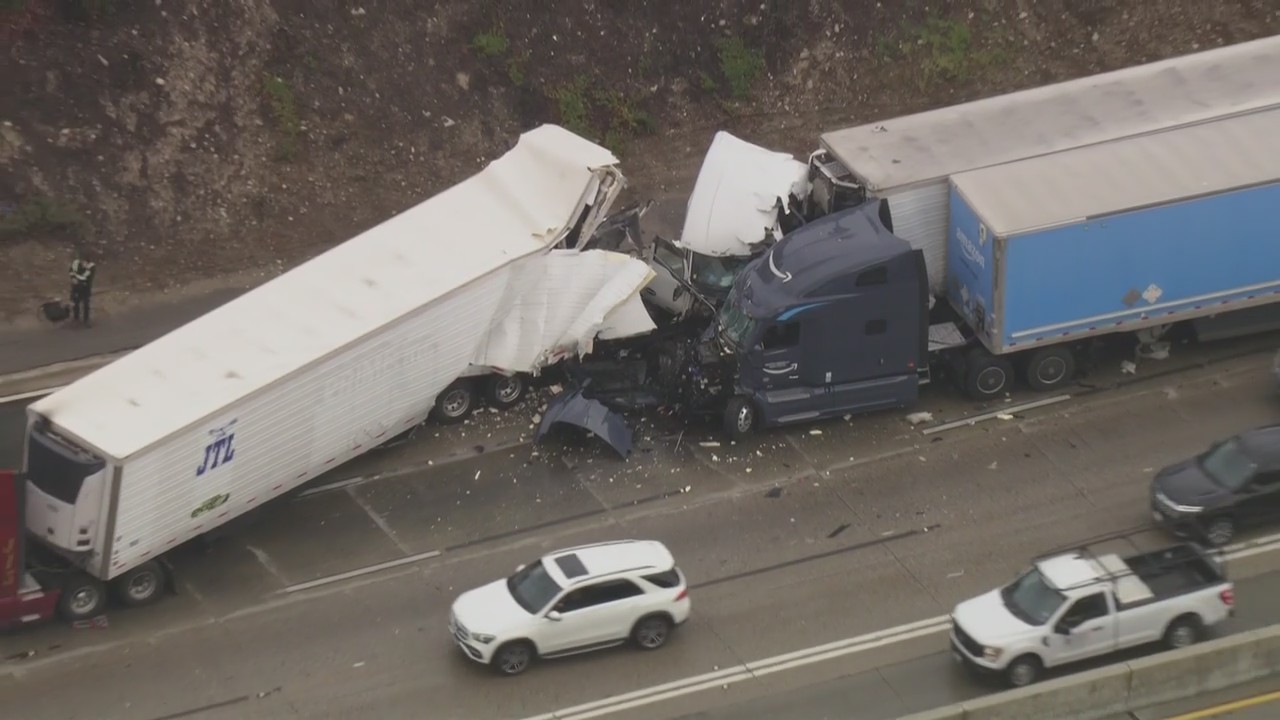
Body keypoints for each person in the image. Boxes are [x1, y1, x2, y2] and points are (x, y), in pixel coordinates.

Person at [69, 251, 97, 327]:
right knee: (76, 303)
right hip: (76, 286)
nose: (82, 263)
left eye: (84, 262)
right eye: (81, 261)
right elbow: (71, 271)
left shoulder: (91, 267)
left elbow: (85, 277)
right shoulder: (75, 263)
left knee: (86, 304)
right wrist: (72, 278)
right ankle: (76, 319)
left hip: (85, 287)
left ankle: (86, 320)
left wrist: (77, 279)